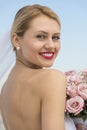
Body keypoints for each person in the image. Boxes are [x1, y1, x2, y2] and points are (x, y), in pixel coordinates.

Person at [0, 4, 76, 130]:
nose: (51, 45)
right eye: (40, 36)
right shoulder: (52, 79)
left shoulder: (5, 88)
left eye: (55, 37)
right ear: (16, 40)